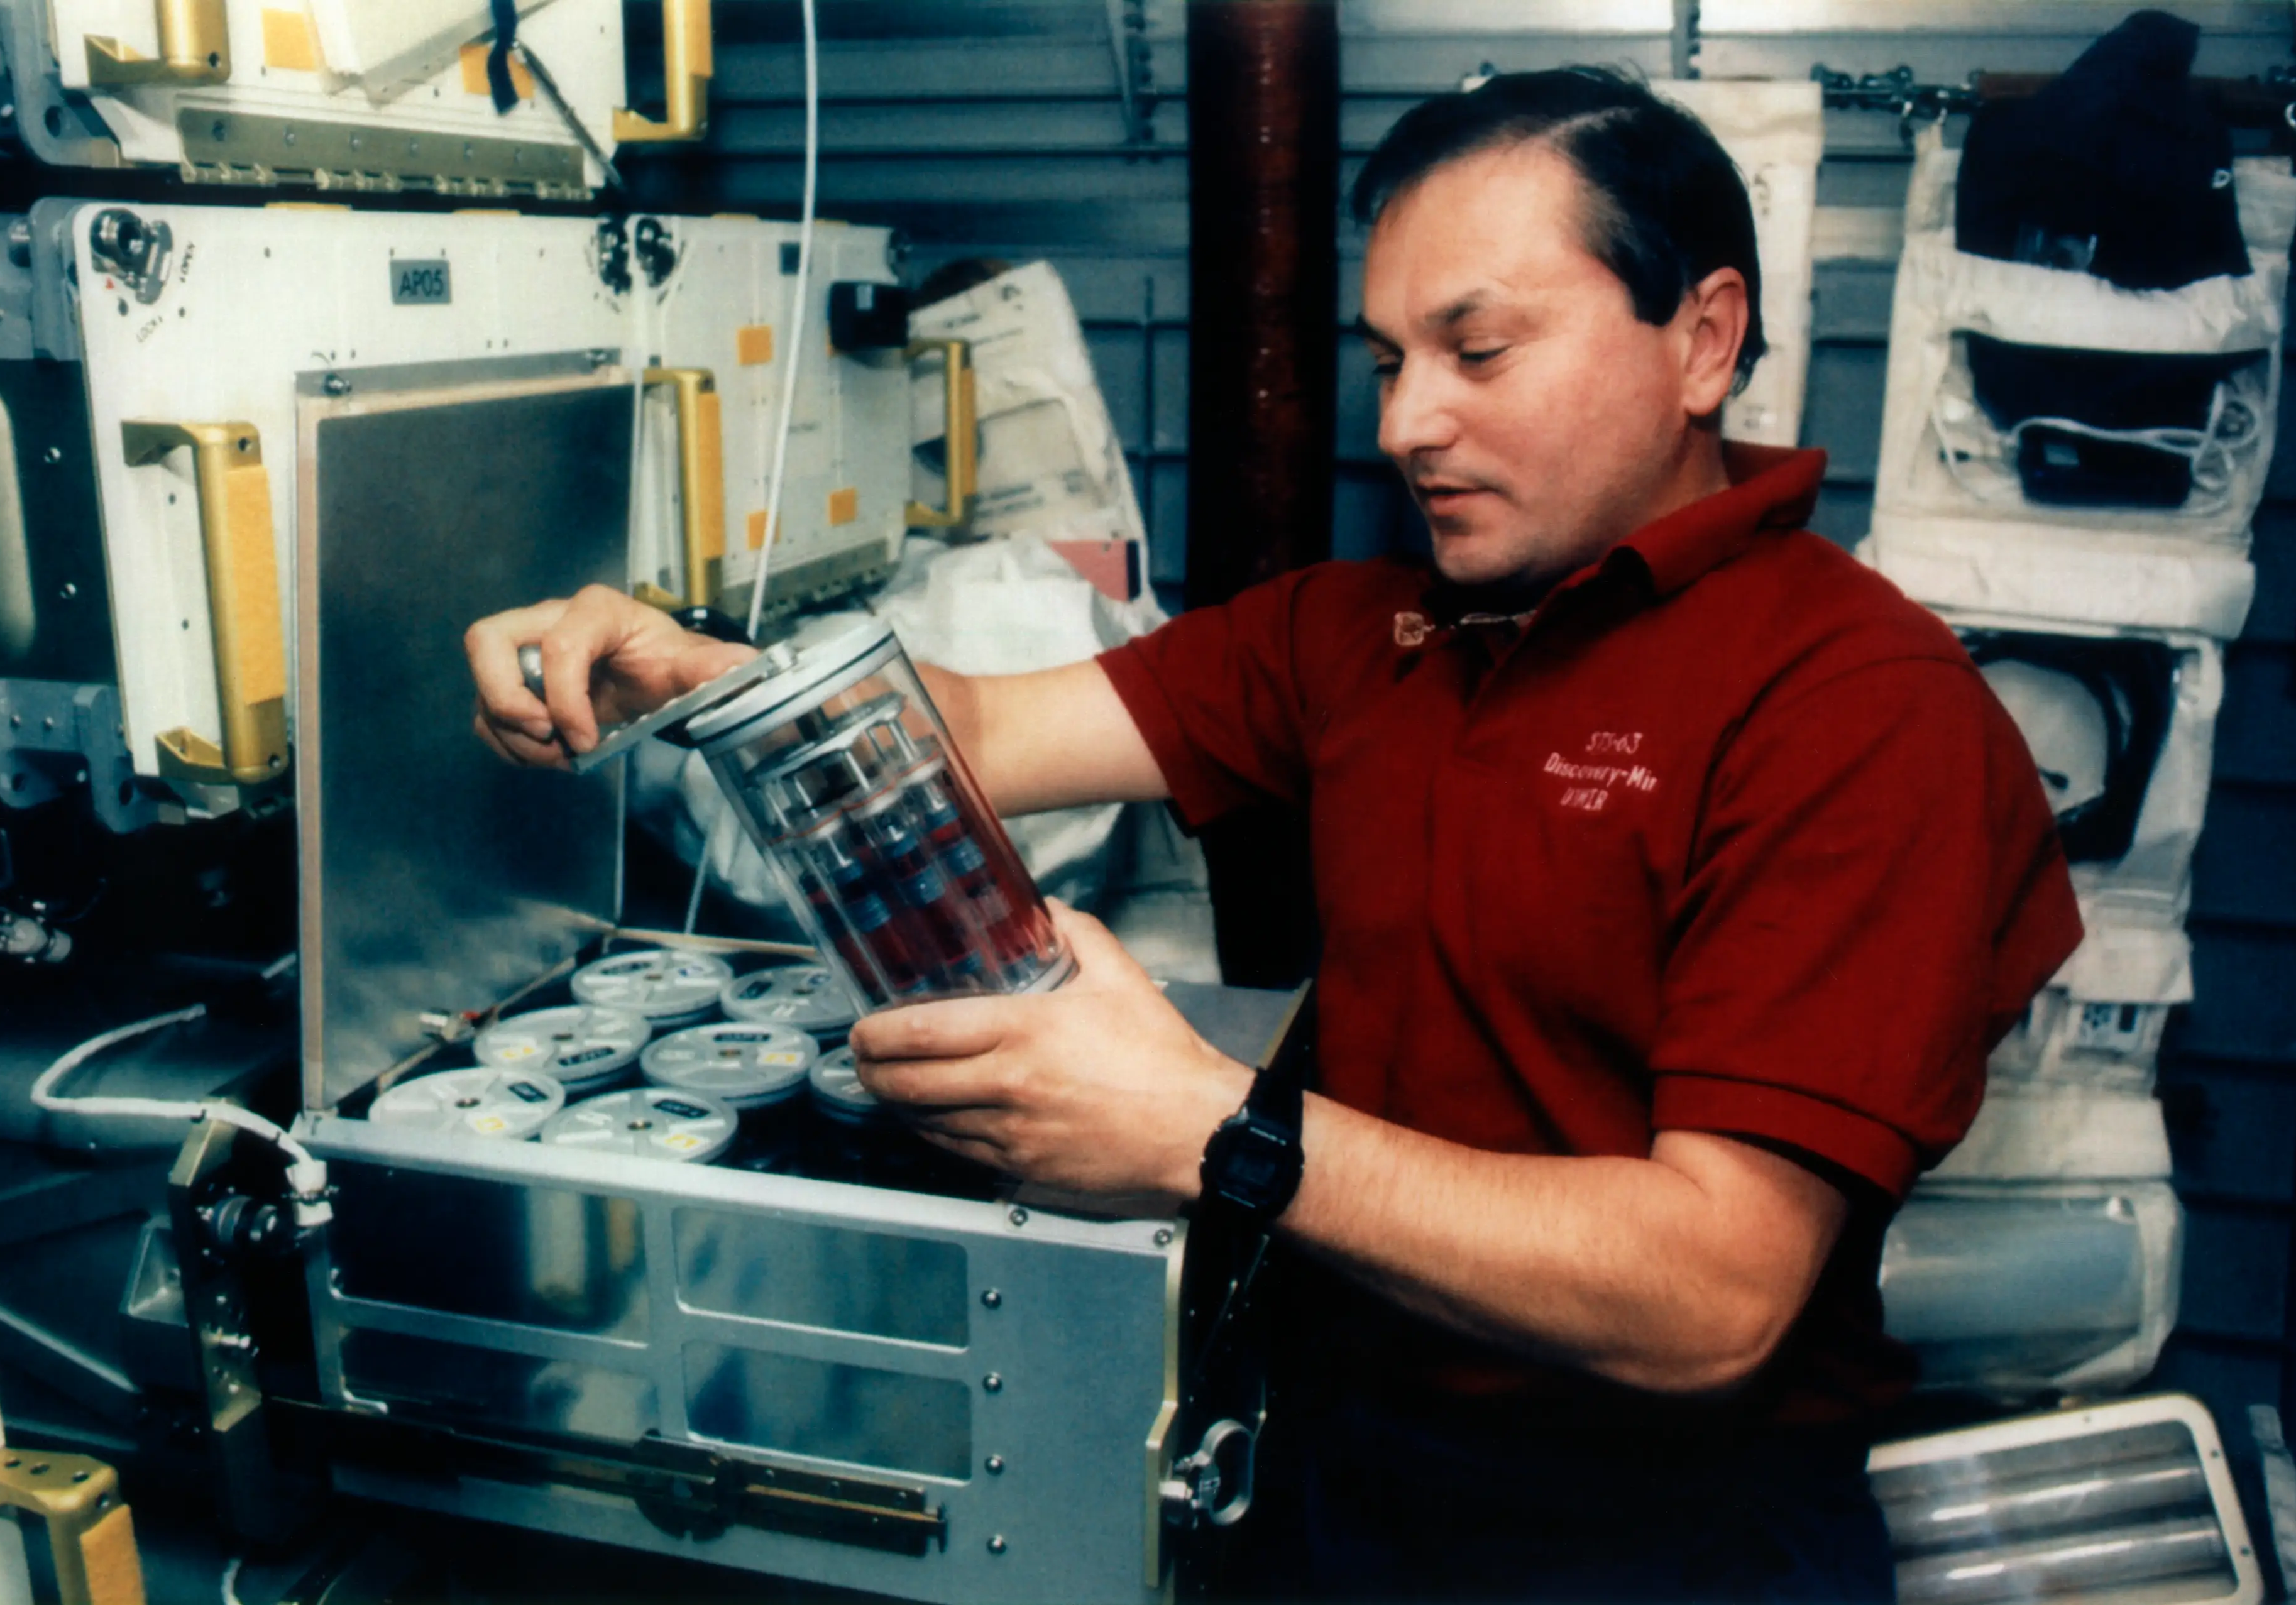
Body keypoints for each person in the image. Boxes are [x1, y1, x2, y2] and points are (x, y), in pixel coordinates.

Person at [468, 68, 2080, 1603]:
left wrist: (1214, 1129)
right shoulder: (1364, 632)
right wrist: (688, 666)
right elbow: (977, 728)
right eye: (1389, 361)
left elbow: (1714, 1293)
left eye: (1480, 350)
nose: (1409, 425)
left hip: (1658, 1530)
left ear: (1702, 337)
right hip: (1347, 1465)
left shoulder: (1860, 706)